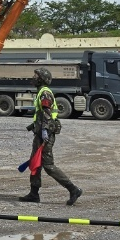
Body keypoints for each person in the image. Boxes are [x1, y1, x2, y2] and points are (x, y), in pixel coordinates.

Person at [18, 68, 82, 205]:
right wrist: (33, 126)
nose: (33, 77)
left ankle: (73, 189)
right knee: (35, 163)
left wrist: (45, 131)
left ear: (42, 79)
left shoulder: (45, 93)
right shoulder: (41, 92)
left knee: (48, 165)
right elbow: (42, 114)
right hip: (40, 133)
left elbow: (47, 112)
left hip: (45, 135)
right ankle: (34, 194)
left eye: (36, 75)